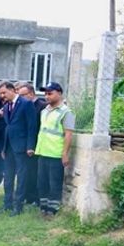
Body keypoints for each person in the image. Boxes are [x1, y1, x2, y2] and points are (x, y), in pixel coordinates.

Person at [0, 81, 38, 216]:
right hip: (8, 147)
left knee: (21, 177)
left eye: (4, 92)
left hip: (22, 147)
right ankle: (7, 204)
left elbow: (32, 126)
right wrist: (3, 148)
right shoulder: (7, 105)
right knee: (8, 177)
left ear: (12, 90)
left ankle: (18, 206)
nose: (2, 96)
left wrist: (30, 146)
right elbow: (7, 127)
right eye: (1, 93)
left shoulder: (26, 104)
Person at [34, 82, 75, 215]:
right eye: (45, 93)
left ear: (59, 93)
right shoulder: (44, 111)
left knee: (54, 183)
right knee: (42, 183)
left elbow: (68, 134)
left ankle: (53, 210)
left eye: (50, 93)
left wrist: (65, 153)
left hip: (55, 153)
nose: (47, 96)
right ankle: (43, 207)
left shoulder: (67, 112)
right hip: (42, 151)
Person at [18, 83, 47, 207]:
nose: (21, 98)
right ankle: (27, 196)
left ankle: (36, 198)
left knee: (36, 173)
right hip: (26, 143)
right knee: (27, 172)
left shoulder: (42, 106)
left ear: (31, 93)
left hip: (38, 144)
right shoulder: (22, 106)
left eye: (23, 95)